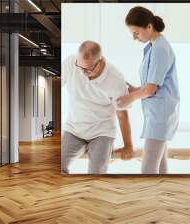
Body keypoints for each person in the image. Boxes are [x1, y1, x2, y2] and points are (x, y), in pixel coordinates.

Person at [117, 6, 180, 174]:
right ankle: (163, 199)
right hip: (157, 112)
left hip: (160, 115)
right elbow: (153, 84)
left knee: (148, 169)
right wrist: (134, 89)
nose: (134, 37)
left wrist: (129, 99)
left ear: (149, 27)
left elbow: (151, 89)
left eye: (136, 33)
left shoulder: (160, 49)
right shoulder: (153, 47)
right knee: (160, 166)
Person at [61, 41, 133, 174]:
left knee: (96, 173)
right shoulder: (71, 62)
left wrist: (128, 146)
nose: (82, 72)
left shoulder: (115, 79)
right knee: (58, 165)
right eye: (80, 67)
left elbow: (122, 115)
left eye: (87, 69)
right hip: (74, 129)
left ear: (101, 61)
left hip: (102, 132)